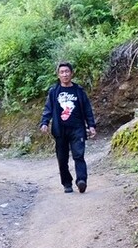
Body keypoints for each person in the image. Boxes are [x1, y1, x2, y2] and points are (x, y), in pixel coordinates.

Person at [38, 61, 97, 193]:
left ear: (71, 73)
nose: (65, 74)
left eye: (67, 72)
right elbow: (48, 109)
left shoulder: (79, 91)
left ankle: (81, 180)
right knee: (62, 158)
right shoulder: (54, 92)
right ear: (58, 75)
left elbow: (87, 109)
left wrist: (91, 125)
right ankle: (67, 183)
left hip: (77, 129)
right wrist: (44, 122)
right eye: (62, 72)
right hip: (60, 130)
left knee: (79, 155)